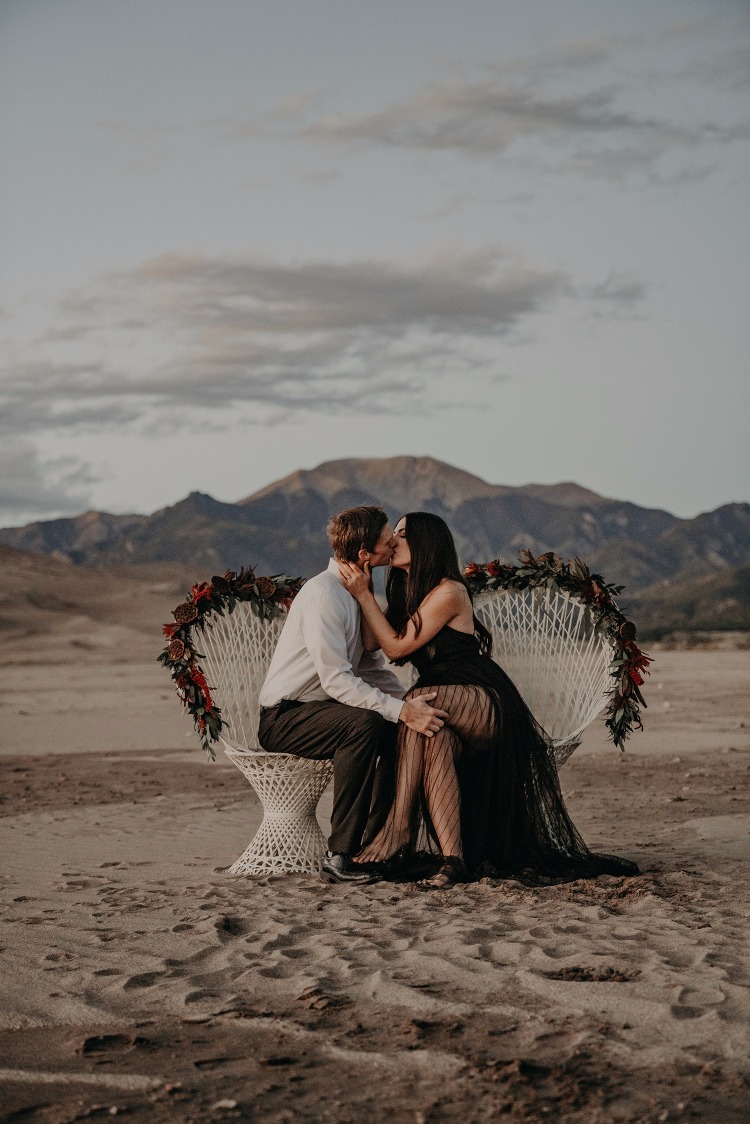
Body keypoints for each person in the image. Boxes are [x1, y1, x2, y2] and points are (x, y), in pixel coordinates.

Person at [338, 511, 639, 889]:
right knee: (434, 735)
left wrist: (363, 594)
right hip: (445, 703)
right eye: (393, 534)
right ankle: (453, 860)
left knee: (417, 701)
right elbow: (372, 644)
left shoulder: (449, 591)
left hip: (481, 700)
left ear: (428, 542)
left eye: (403, 534)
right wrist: (370, 591)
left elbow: (397, 645)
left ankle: (398, 830)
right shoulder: (407, 592)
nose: (394, 541)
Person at [258, 505, 449, 885]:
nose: (394, 544)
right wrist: (400, 710)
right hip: (285, 717)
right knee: (365, 723)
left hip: (325, 710)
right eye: (387, 541)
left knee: (398, 729)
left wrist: (408, 702)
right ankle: (339, 854)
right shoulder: (323, 596)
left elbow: (367, 668)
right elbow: (336, 680)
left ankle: (379, 845)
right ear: (365, 555)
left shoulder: (355, 592)